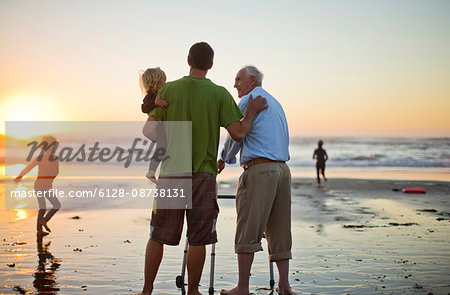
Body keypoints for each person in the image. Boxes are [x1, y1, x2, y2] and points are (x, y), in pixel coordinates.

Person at [138, 42, 267, 295]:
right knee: (198, 237)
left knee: (157, 235)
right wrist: (250, 114)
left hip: (171, 173)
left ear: (188, 60)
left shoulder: (168, 90)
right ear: (210, 64)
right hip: (204, 175)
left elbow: (149, 131)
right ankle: (194, 291)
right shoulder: (218, 93)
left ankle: (146, 291)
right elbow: (239, 133)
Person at [218, 66, 293, 295]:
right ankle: (284, 285)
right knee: (280, 229)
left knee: (248, 228)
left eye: (238, 80)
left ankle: (242, 287)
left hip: (260, 170)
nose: (235, 85)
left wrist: (223, 159)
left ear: (251, 81)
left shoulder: (249, 101)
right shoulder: (276, 104)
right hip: (282, 171)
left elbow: (237, 135)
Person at [15, 136, 61, 235]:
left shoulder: (40, 158)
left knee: (43, 207)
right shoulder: (55, 158)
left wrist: (20, 176)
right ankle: (44, 221)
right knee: (56, 205)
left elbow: (29, 167)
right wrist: (50, 179)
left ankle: (39, 230)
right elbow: (56, 172)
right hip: (45, 185)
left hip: (39, 185)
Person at [139, 67, 169, 181]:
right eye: (163, 81)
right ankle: (151, 171)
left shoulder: (160, 93)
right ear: (156, 81)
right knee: (162, 146)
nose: (165, 83)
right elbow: (144, 108)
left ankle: (151, 172)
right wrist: (155, 103)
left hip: (161, 126)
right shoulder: (150, 95)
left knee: (162, 147)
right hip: (158, 127)